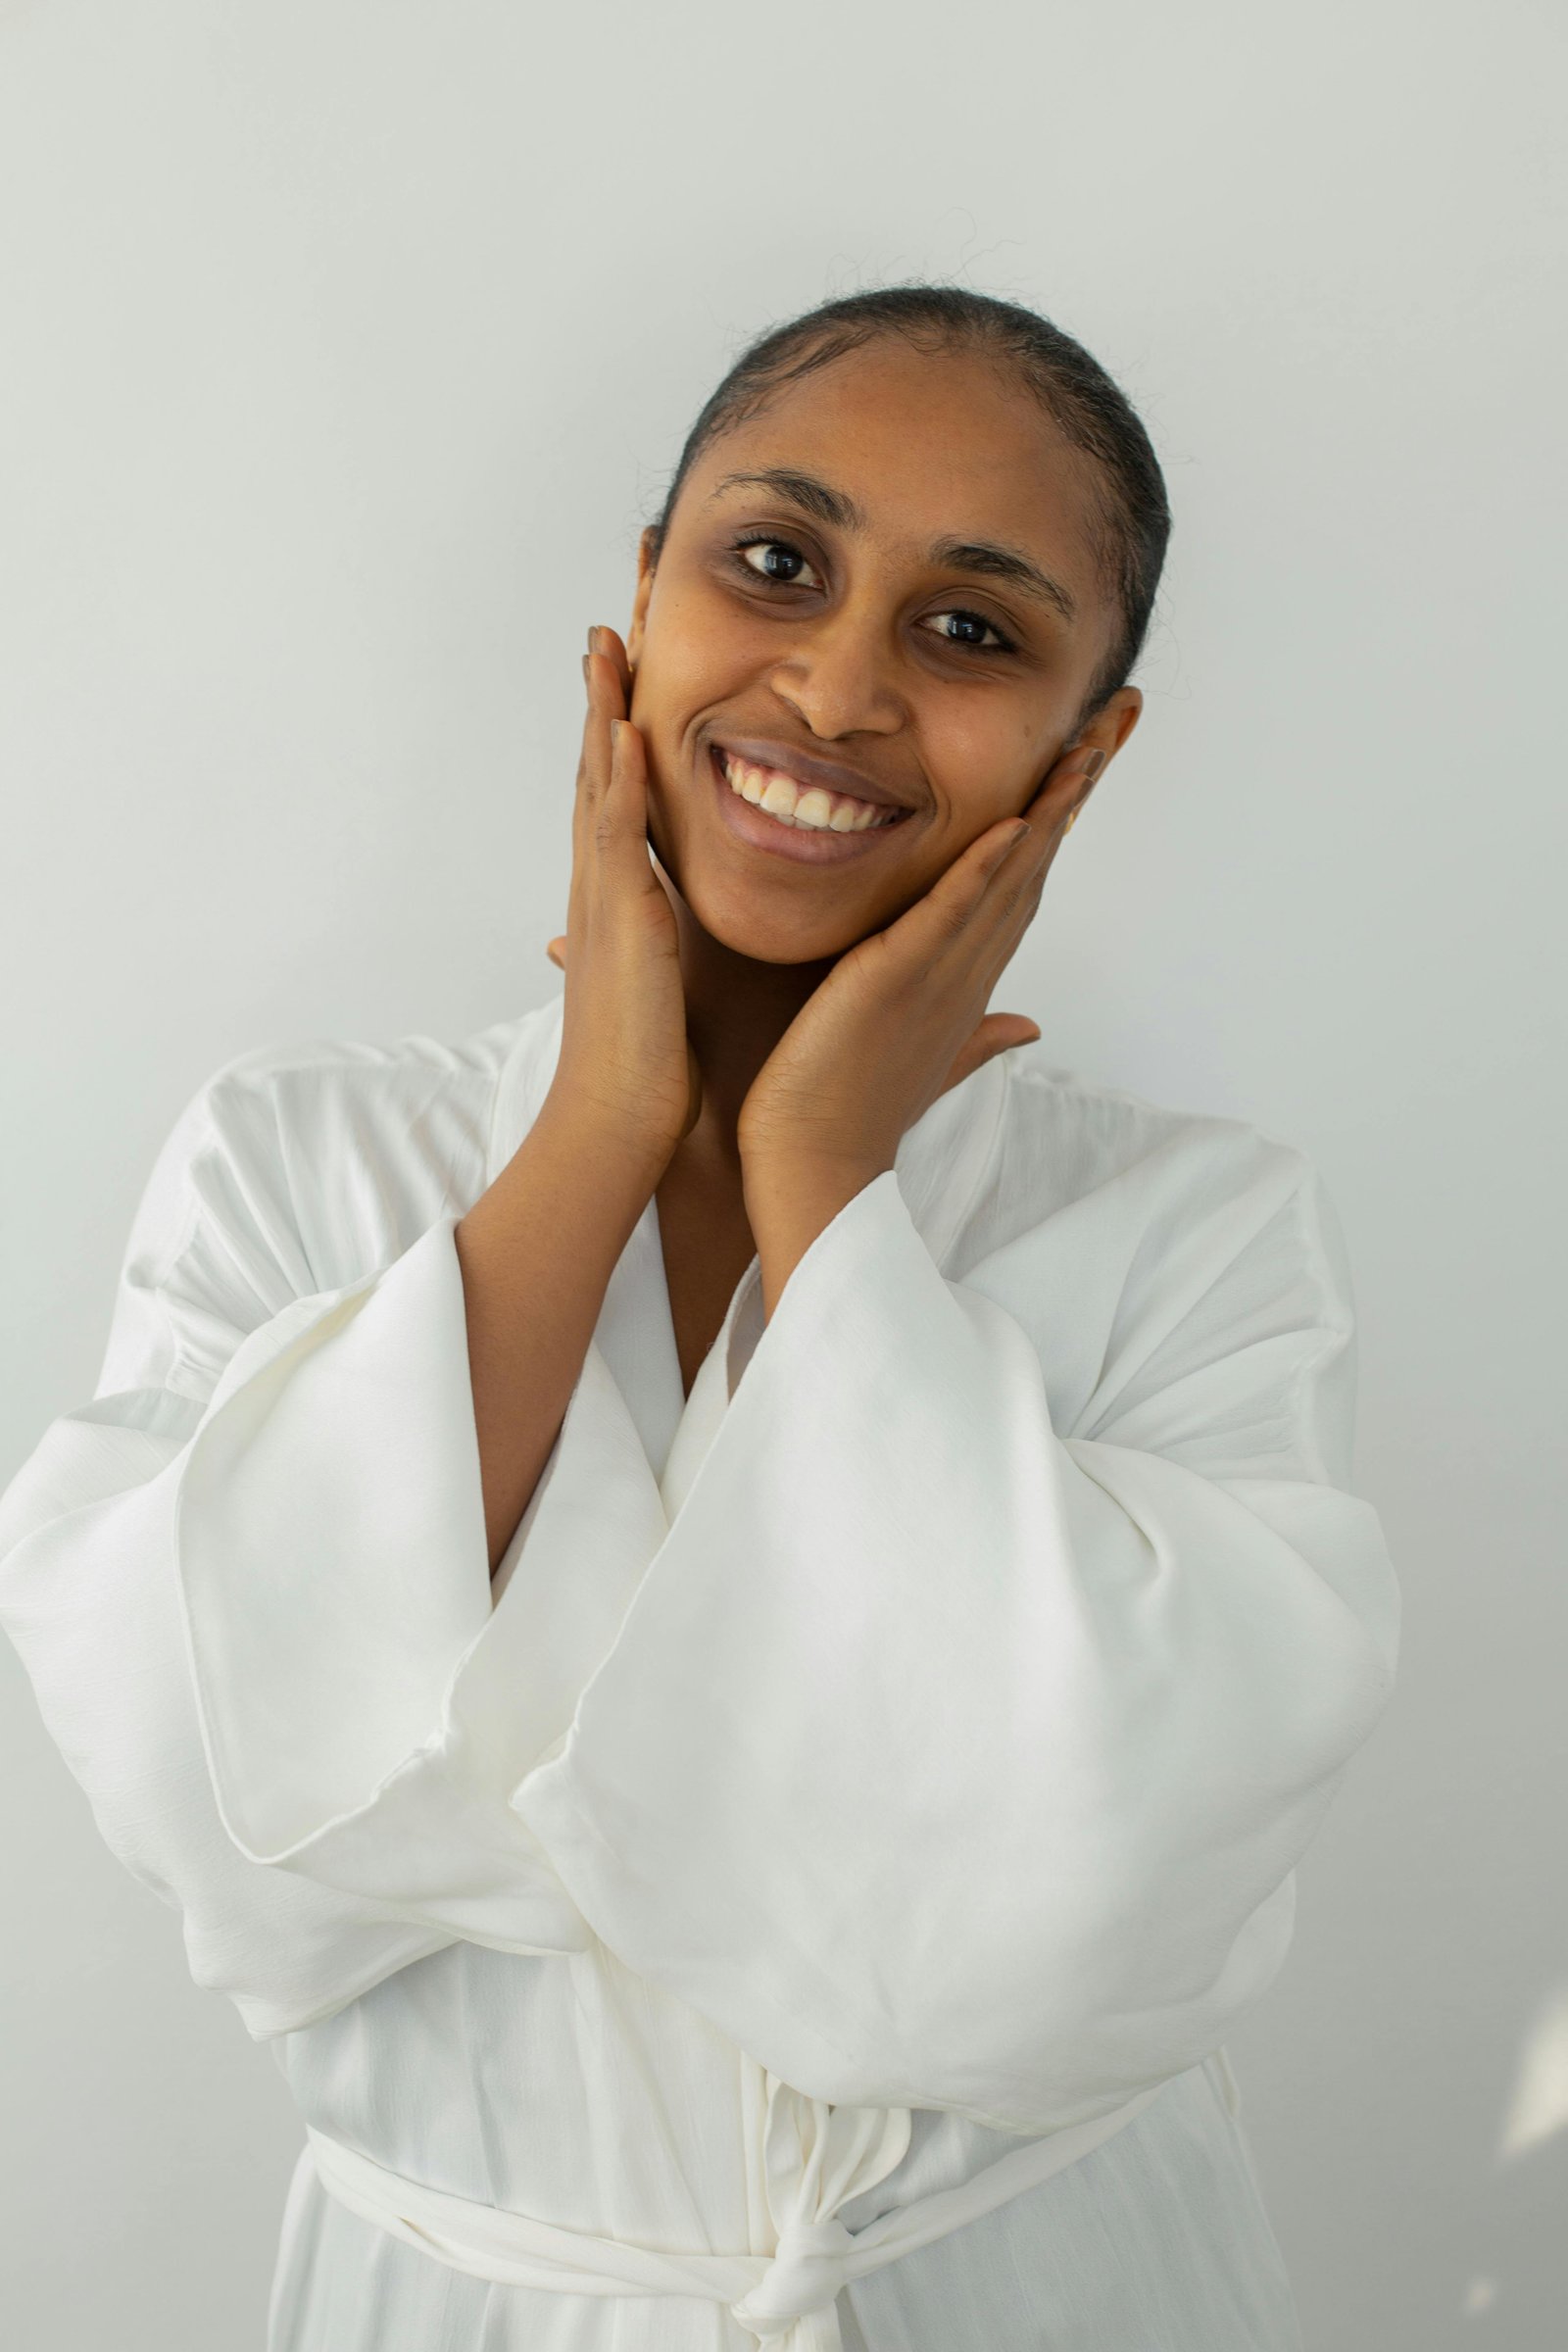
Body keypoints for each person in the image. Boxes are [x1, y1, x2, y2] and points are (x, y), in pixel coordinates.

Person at [0, 285, 1400, 2352]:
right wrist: (598, 1124)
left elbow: (1083, 1911)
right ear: (642, 595)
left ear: (1085, 748)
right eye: (775, 563)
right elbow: (194, 1797)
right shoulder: (298, 1159)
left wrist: (823, 1177)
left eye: (970, 629)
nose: (836, 686)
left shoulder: (1195, 1233)